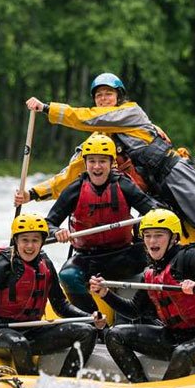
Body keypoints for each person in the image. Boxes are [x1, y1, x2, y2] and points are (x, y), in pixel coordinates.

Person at [16, 72, 195, 233]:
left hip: (174, 173)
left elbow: (86, 118)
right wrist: (33, 194)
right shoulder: (98, 142)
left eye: (108, 94)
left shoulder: (131, 112)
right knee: (165, 231)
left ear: (119, 97)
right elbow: (70, 174)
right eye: (99, 95)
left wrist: (46, 108)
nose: (103, 99)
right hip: (152, 192)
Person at [89, 209, 195, 383]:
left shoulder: (190, 257)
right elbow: (133, 311)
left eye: (159, 235)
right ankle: (140, 386)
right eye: (147, 236)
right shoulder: (151, 272)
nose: (152, 241)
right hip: (175, 336)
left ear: (174, 238)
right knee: (114, 334)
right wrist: (105, 294)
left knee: (183, 353)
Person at [0, 214, 107, 377]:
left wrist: (90, 317)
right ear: (16, 241)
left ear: (42, 242)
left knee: (87, 332)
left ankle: (67, 382)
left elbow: (61, 305)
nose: (29, 246)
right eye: (24, 240)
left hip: (33, 330)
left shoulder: (46, 264)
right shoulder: (2, 266)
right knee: (19, 343)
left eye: (35, 240)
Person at [45, 133, 162, 313]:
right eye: (92, 161)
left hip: (125, 255)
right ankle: (93, 321)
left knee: (156, 267)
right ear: (85, 163)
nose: (97, 166)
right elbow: (49, 223)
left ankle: (144, 315)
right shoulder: (75, 190)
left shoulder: (124, 185)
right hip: (88, 258)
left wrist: (149, 223)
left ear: (111, 163)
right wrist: (56, 232)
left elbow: (154, 211)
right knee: (68, 275)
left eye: (102, 161)